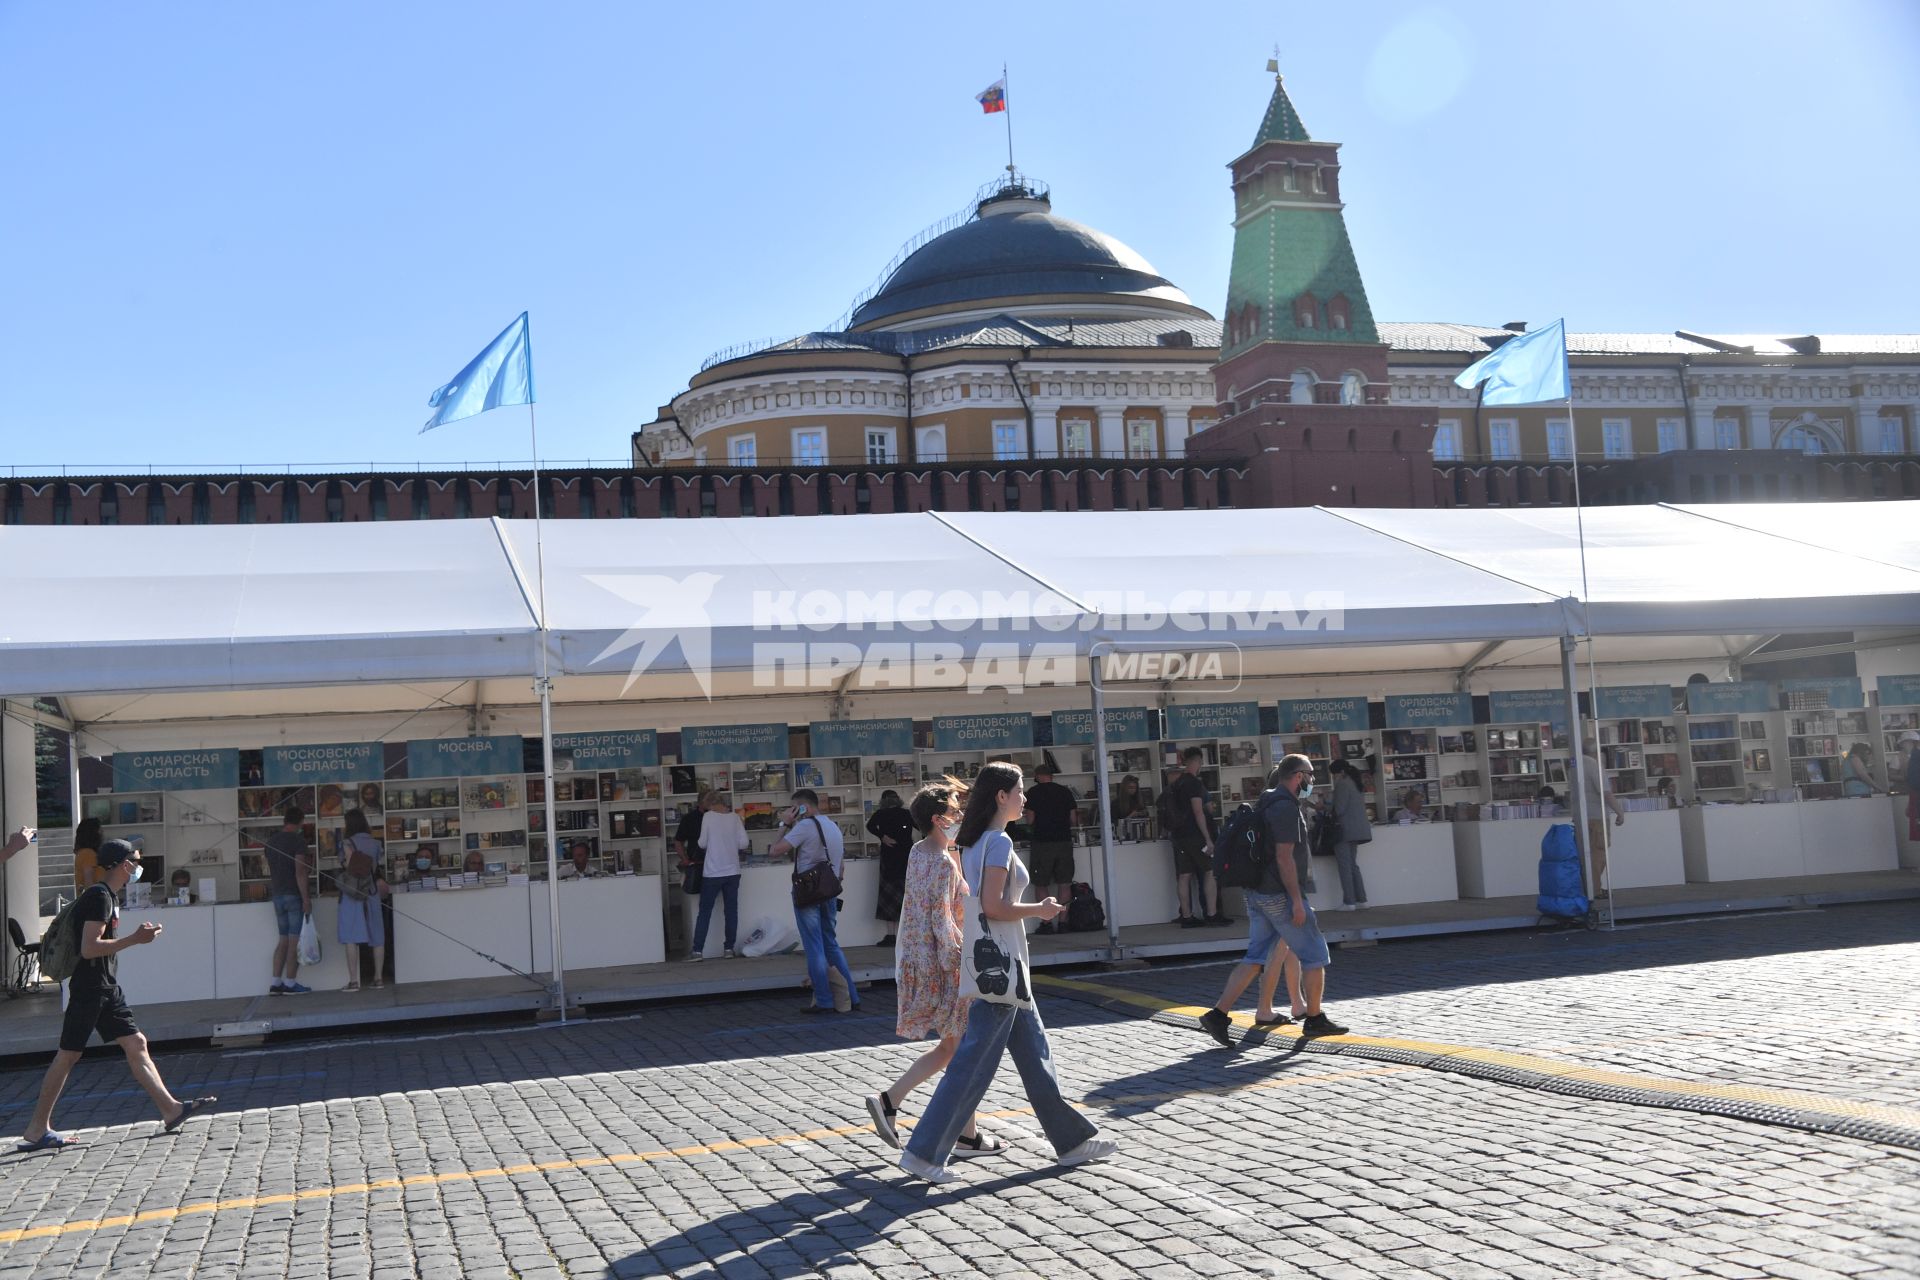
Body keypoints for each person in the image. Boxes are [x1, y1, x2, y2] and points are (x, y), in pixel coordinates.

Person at [897, 763, 1114, 1184]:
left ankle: (1070, 1141)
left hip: (995, 962)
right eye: (1019, 790)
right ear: (1001, 796)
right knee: (972, 1063)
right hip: (1001, 963)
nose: (1024, 797)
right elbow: (994, 907)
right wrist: (1040, 909)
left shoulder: (972, 840)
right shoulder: (996, 841)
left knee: (1035, 1054)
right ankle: (923, 1153)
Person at [15, 839, 216, 1151]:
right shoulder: (99, 897)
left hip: (105, 986)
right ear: (124, 865)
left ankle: (171, 1109)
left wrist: (133, 940)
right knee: (68, 1054)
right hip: (91, 987)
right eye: (135, 860)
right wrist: (135, 939)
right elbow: (88, 948)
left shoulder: (106, 895)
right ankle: (37, 1128)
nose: (138, 866)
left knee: (136, 1043)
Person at [865, 782, 1003, 1159]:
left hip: (922, 959)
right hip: (944, 962)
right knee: (961, 1052)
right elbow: (942, 918)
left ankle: (894, 1103)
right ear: (937, 818)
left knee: (952, 1048)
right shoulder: (941, 860)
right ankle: (963, 1135)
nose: (961, 817)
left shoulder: (921, 851)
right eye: (955, 812)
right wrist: (964, 960)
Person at [1199, 756, 1348, 1046]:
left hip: (1258, 893)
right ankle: (1315, 1019)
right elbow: (1284, 858)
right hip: (1278, 894)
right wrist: (1296, 900)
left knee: (1255, 957)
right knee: (1315, 954)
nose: (1312, 780)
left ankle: (1218, 1015)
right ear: (1297, 776)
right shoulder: (1285, 808)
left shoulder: (1267, 801)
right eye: (1310, 774)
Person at [770, 788, 857, 1014]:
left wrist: (785, 824)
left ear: (803, 807)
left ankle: (825, 1000)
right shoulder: (832, 825)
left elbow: (775, 851)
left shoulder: (804, 826)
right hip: (829, 892)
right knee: (831, 944)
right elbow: (841, 865)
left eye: (795, 808)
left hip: (808, 894)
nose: (793, 812)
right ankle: (851, 996)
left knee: (814, 947)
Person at [1170, 747, 1226, 927]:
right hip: (1195, 835)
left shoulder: (1176, 784)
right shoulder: (1194, 784)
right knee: (1210, 871)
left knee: (1184, 876)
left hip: (1179, 835)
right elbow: (1198, 812)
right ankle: (1211, 913)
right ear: (1197, 761)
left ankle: (1186, 916)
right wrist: (1208, 838)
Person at [1021, 765, 1079, 933]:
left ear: (1037, 776)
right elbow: (1073, 819)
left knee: (1041, 884)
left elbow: (1030, 820)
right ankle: (1063, 923)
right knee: (1065, 884)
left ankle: (1046, 924)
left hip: (1042, 843)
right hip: (1064, 842)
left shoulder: (1033, 793)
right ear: (1051, 776)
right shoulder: (1065, 792)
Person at [690, 793, 747, 960]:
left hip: (713, 871)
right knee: (731, 911)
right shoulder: (735, 818)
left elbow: (702, 843)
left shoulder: (708, 817)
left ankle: (697, 950)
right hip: (732, 872)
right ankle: (729, 949)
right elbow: (744, 843)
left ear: (711, 805)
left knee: (705, 911)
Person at [263, 804, 313, 995]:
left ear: (285, 821)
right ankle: (290, 984)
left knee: (283, 940)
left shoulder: (271, 841)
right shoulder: (297, 841)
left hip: (277, 896)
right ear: (300, 822)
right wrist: (306, 898)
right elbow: (300, 871)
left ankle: (275, 983)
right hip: (294, 895)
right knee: (294, 942)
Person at [337, 808, 386, 992]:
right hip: (371, 891)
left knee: (350, 936)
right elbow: (375, 865)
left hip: (352, 893)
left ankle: (353, 981)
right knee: (377, 935)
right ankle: (379, 978)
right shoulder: (375, 843)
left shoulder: (346, 843)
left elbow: (346, 865)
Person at [1579, 729, 1627, 898]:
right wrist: (1620, 812)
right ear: (1595, 751)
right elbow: (1605, 793)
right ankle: (1595, 890)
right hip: (1597, 817)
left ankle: (1589, 888)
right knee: (1598, 855)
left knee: (1586, 854)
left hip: (1581, 817)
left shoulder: (1575, 764)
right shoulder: (1594, 766)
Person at [866, 790, 915, 946]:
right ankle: (907, 934)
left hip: (889, 859)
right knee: (907, 897)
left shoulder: (881, 814)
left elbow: (870, 826)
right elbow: (922, 827)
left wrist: (882, 837)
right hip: (906, 858)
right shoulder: (907, 814)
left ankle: (891, 935)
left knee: (889, 899)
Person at [1327, 760, 1372, 911]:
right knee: (1353, 865)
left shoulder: (1342, 784)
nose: (1334, 778)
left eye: (1334, 774)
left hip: (1344, 830)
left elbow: (1339, 809)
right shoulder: (1356, 782)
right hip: (1358, 830)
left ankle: (1349, 902)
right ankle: (1362, 899)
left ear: (1339, 772)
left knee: (1345, 866)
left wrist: (1325, 805)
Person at [672, 793, 708, 891]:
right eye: (709, 801)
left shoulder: (720, 817)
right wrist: (685, 859)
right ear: (700, 803)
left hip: (718, 864)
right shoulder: (689, 818)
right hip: (698, 864)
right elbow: (678, 841)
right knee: (697, 897)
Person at [72, 816, 104, 893]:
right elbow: (88, 882)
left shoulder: (83, 853)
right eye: (99, 830)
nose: (102, 833)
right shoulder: (88, 854)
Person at [1901, 731, 1920, 841]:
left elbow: (1913, 781)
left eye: (1904, 743)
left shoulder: (1915, 756)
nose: (1903, 747)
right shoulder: (1914, 756)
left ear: (1910, 742)